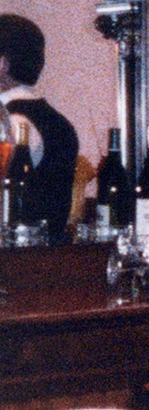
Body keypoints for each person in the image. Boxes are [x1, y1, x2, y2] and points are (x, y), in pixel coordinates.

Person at [0, 14, 80, 243]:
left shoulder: (8, 122)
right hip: (47, 257)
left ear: (2, 64)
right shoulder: (58, 121)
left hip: (13, 261)